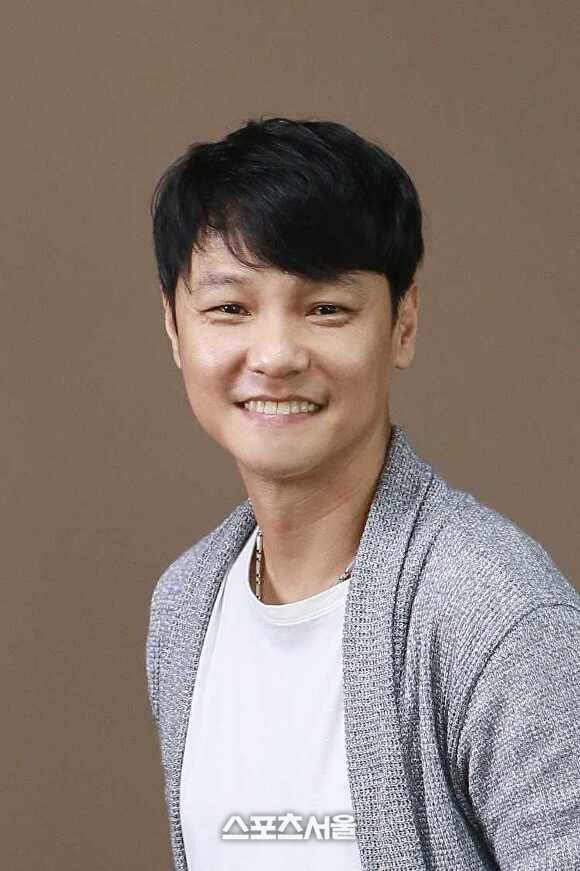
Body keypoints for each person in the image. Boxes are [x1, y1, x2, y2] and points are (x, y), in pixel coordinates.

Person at [145, 116, 580, 871]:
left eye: (326, 309)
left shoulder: (495, 615)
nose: (275, 355)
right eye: (230, 309)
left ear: (402, 325)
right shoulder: (185, 605)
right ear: (176, 330)